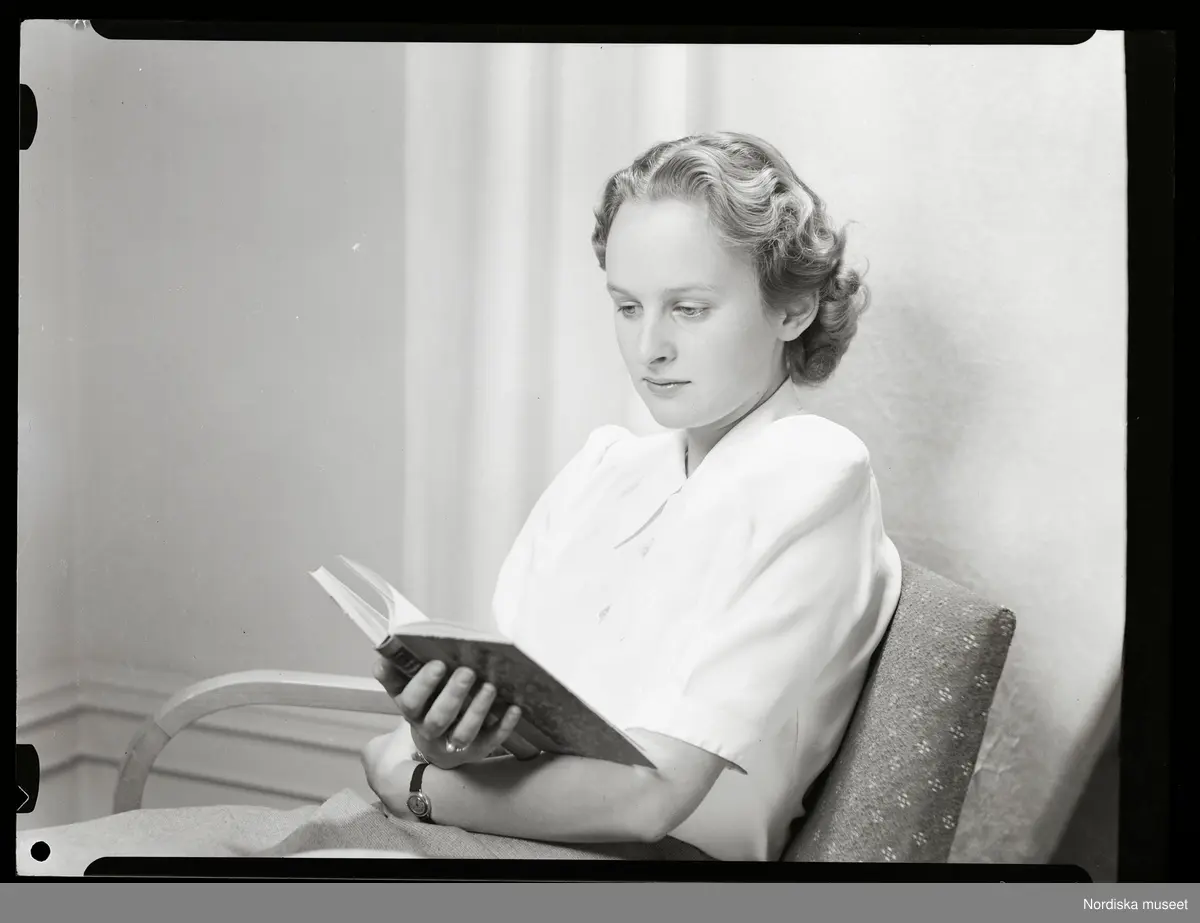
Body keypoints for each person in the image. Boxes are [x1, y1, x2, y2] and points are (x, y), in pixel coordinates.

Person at [17, 131, 901, 871]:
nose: (648, 348)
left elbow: (649, 799)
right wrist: (448, 737)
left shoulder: (815, 473)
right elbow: (534, 719)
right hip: (483, 832)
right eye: (627, 306)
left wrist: (410, 775)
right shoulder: (610, 467)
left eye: (690, 308)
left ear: (793, 308)